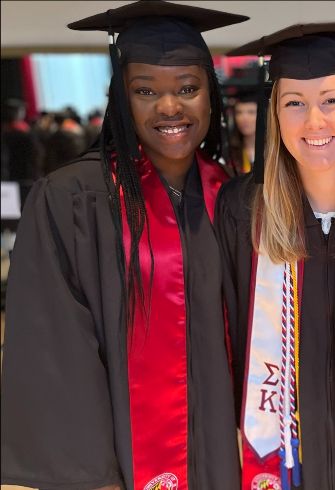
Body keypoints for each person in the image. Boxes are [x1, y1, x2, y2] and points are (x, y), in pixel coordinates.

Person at [1, 2, 248, 489]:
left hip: (224, 460)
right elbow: (55, 351)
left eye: (187, 88)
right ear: (121, 100)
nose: (170, 107)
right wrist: (94, 475)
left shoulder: (233, 197)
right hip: (120, 467)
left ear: (210, 97)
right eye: (145, 91)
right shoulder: (75, 198)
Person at [218, 21, 335, 490]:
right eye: (293, 103)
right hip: (284, 461)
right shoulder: (241, 211)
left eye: (331, 100)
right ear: (274, 116)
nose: (313, 121)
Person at [226, 87, 259, 174]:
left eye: (251, 112)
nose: (244, 118)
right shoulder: (228, 153)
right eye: (239, 112)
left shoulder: (274, 151)